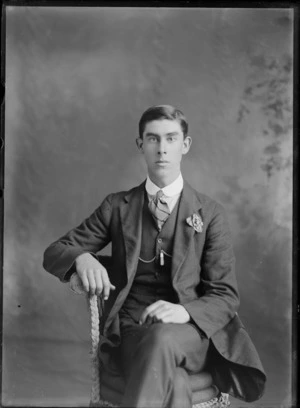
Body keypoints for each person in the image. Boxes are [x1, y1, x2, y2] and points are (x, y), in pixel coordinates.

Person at [43, 105, 266, 408]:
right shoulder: (117, 207)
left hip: (191, 334)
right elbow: (56, 250)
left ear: (185, 145)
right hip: (132, 330)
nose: (162, 149)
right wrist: (82, 258)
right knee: (173, 380)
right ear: (141, 145)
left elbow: (225, 295)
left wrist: (185, 313)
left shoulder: (210, 214)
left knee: (162, 338)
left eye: (171, 139)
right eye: (153, 139)